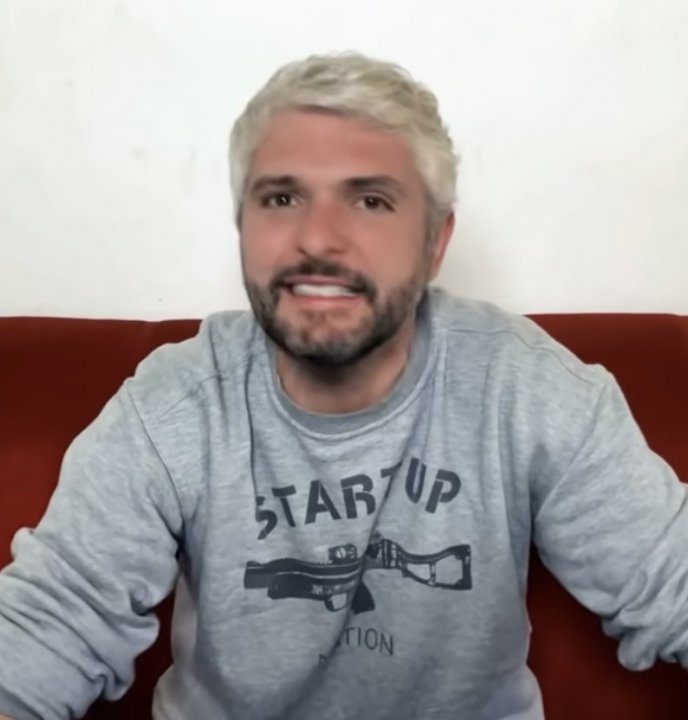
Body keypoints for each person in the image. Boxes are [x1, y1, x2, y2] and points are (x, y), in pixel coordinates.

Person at [0, 51, 686, 720]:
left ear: (435, 241)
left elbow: (673, 580)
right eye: (282, 197)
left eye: (371, 200)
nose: (319, 238)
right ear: (243, 229)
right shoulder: (175, 405)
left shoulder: (528, 389)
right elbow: (49, 628)